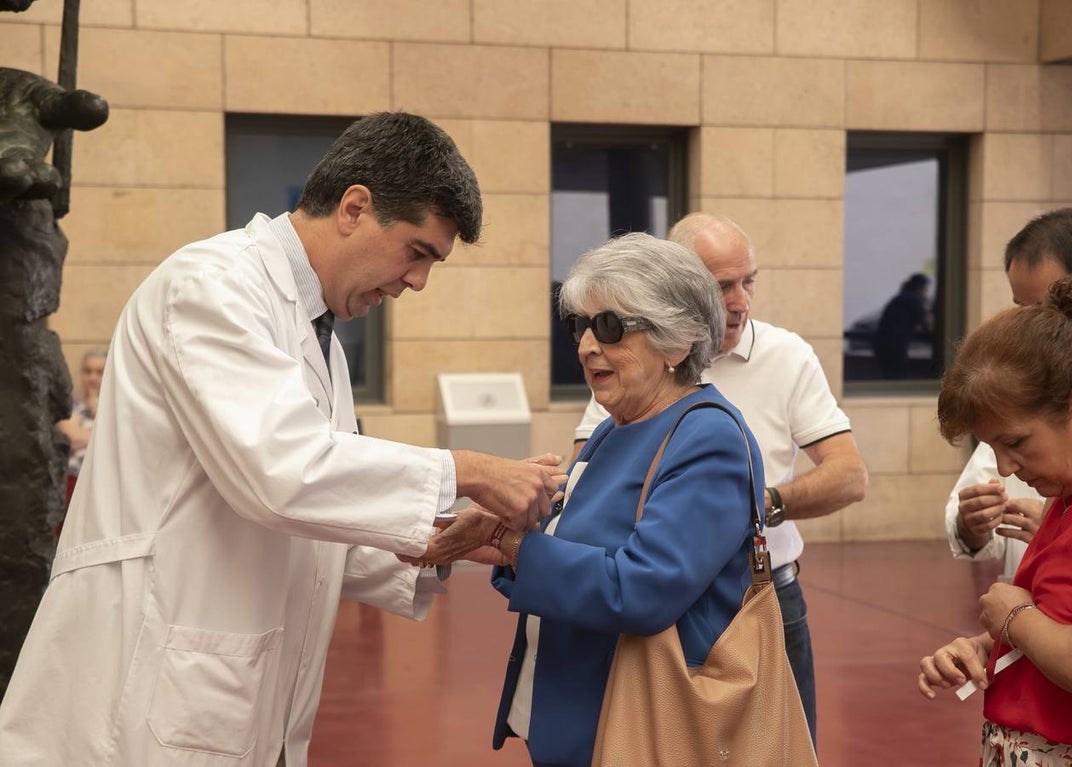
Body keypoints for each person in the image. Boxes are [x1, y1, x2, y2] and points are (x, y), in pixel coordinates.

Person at [0, 112, 564, 766]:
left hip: (236, 689)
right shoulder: (213, 286)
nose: (417, 282)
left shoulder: (322, 340)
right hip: (146, 675)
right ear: (355, 206)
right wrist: (468, 469)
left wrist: (449, 541)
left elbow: (318, 516)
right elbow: (282, 472)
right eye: (418, 252)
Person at [570, 213, 867, 746]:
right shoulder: (637, 359)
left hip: (760, 590)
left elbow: (848, 476)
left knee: (770, 749)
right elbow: (585, 478)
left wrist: (753, 505)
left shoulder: (786, 355)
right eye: (720, 284)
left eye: (748, 281)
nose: (738, 301)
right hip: (661, 601)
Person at [481, 232, 766, 767]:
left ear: (678, 342)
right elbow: (576, 547)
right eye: (579, 327)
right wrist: (508, 529)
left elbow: (642, 589)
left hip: (638, 727)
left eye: (610, 327)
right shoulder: (616, 427)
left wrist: (516, 547)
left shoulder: (708, 438)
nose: (588, 346)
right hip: (577, 713)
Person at [918, 274, 1072, 767]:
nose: (1004, 467)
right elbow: (1062, 619)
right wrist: (983, 644)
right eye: (993, 448)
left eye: (1016, 443)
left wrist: (1014, 618)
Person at [945, 208, 1072, 582]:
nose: (1035, 326)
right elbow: (977, 498)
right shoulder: (1024, 374)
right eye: (1022, 309)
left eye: (1050, 308)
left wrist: (1066, 535)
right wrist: (970, 523)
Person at [55, 347, 105, 519]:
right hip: (73, 481)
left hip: (103, 484)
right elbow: (72, 438)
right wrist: (99, 436)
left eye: (99, 372)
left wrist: (97, 408)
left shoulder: (115, 411)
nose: (92, 378)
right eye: (88, 371)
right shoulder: (70, 407)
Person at [872, 271, 932, 379]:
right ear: (919, 289)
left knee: (890, 377)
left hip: (883, 344)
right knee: (900, 378)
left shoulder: (901, 298)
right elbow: (926, 326)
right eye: (925, 289)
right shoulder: (912, 300)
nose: (925, 293)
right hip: (894, 346)